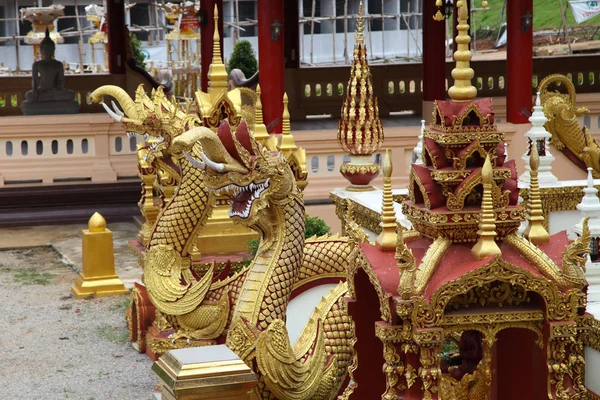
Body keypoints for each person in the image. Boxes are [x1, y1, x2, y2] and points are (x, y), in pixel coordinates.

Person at [25, 28, 74, 102]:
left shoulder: (58, 64)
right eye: (46, 49)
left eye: (50, 49)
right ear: (42, 50)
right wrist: (35, 90)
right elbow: (34, 80)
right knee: (29, 95)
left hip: (54, 91)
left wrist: (58, 89)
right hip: (42, 90)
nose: (48, 51)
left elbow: (61, 80)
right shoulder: (37, 64)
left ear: (53, 50)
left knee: (70, 94)